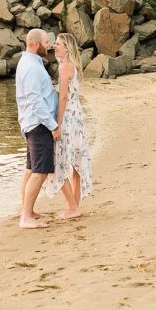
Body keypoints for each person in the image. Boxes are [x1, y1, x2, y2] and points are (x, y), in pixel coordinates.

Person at [15, 28, 61, 229]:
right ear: (35, 44)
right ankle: (25, 217)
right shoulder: (31, 67)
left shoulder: (30, 62)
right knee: (40, 171)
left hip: (31, 123)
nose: (49, 45)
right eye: (46, 42)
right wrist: (53, 125)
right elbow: (34, 100)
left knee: (30, 169)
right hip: (39, 124)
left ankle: (27, 210)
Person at [44, 31, 93, 219]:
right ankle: (74, 206)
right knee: (75, 162)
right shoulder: (74, 65)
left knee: (61, 161)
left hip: (68, 118)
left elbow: (63, 97)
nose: (55, 46)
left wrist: (57, 123)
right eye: (55, 43)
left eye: (58, 43)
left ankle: (73, 207)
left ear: (67, 48)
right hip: (77, 117)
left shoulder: (65, 67)